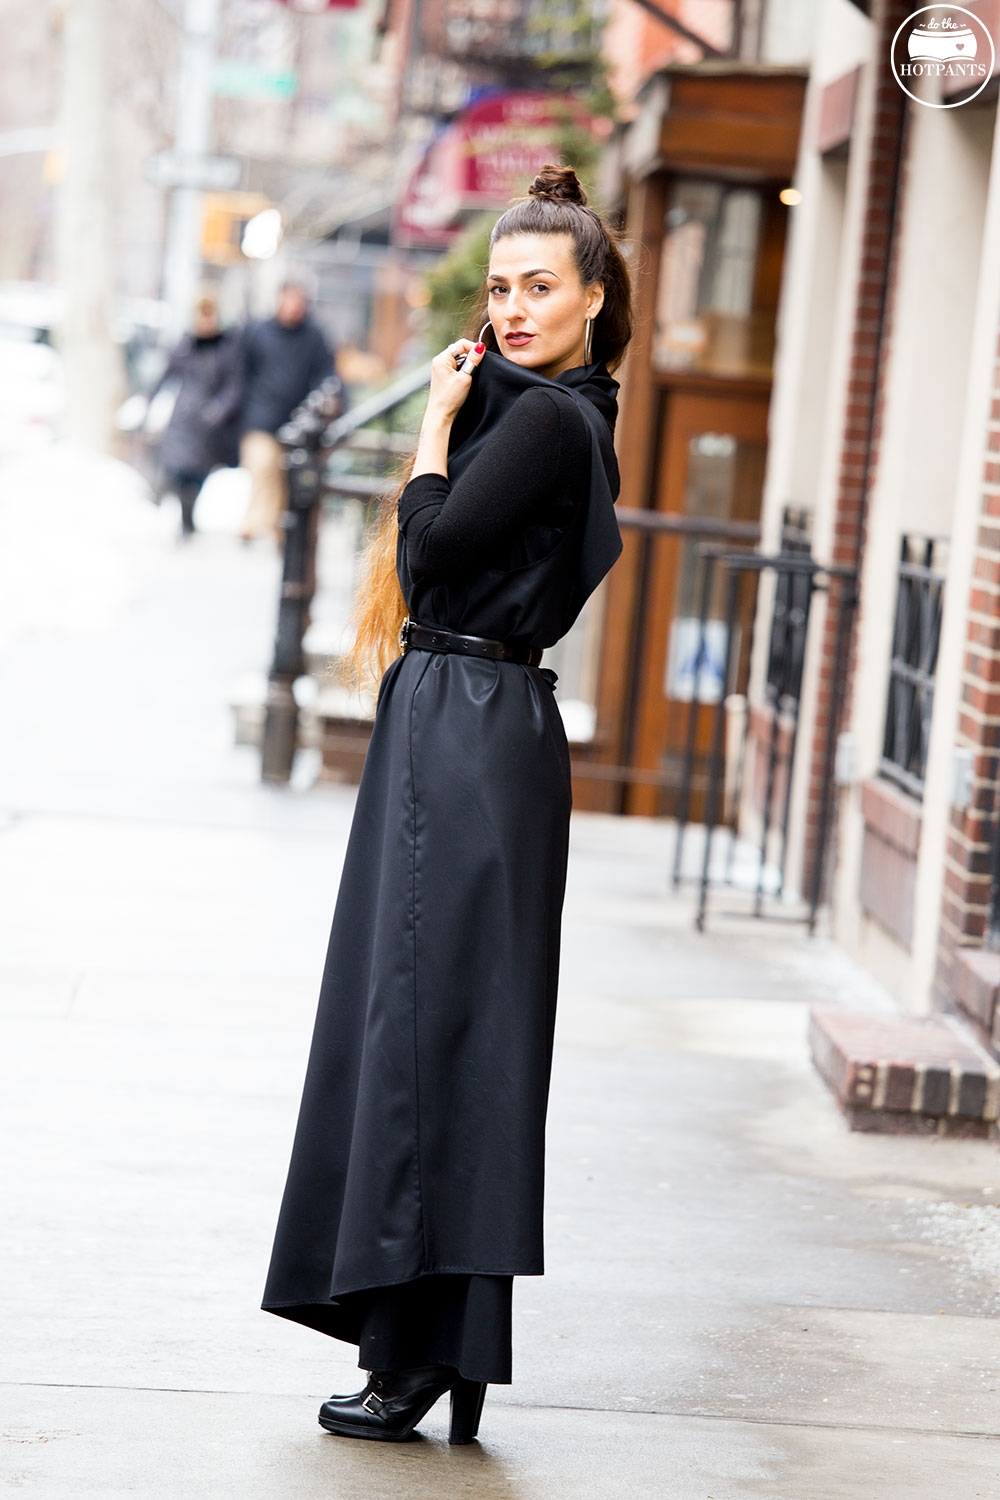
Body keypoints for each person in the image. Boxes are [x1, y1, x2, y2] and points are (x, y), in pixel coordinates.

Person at [261, 164, 634, 1445]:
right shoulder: (562, 416)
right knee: (453, 1040)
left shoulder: (538, 423)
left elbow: (430, 552)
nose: (515, 307)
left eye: (541, 286)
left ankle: (413, 1354)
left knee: (423, 1037)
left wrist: (431, 426)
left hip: (464, 733)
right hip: (480, 725)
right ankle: (439, 1341)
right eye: (500, 287)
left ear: (594, 295)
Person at [238, 281, 336, 544]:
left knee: (287, 475)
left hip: (298, 420)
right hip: (260, 416)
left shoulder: (314, 337)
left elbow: (325, 374)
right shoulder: (258, 331)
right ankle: (258, 521)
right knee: (263, 466)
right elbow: (240, 371)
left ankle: (274, 526)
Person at [147, 295, 242, 537]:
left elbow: (234, 385)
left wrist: (220, 408)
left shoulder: (226, 348)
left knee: (199, 473)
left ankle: (189, 515)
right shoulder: (186, 344)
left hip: (209, 420)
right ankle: (182, 515)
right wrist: (148, 400)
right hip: (183, 415)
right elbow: (166, 374)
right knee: (177, 466)